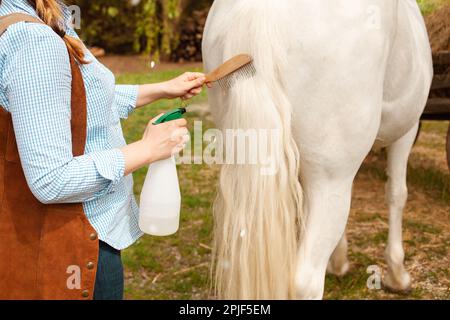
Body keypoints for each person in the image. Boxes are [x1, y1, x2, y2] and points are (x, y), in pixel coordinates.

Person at [0, 0, 205, 300]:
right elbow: (51, 179)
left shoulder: (35, 16)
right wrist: (148, 149)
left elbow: (74, 96)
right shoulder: (35, 42)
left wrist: (163, 88)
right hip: (78, 247)